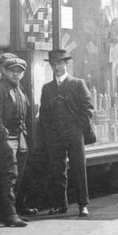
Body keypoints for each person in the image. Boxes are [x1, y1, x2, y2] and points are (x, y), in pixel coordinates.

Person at [38, 48, 95, 217]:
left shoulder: (77, 84)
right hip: (55, 136)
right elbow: (44, 113)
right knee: (57, 170)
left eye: (60, 63)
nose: (57, 67)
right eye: (54, 64)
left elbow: (88, 109)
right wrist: (48, 131)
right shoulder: (47, 88)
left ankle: (83, 205)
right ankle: (60, 205)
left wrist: (78, 128)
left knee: (79, 169)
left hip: (74, 133)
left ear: (66, 64)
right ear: (51, 66)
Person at [0, 52, 32, 227]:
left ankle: (13, 211)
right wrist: (4, 137)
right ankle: (9, 215)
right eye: (12, 71)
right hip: (6, 138)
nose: (16, 74)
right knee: (9, 176)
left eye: (19, 71)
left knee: (17, 176)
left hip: (20, 137)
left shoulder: (19, 89)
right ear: (4, 71)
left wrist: (23, 134)